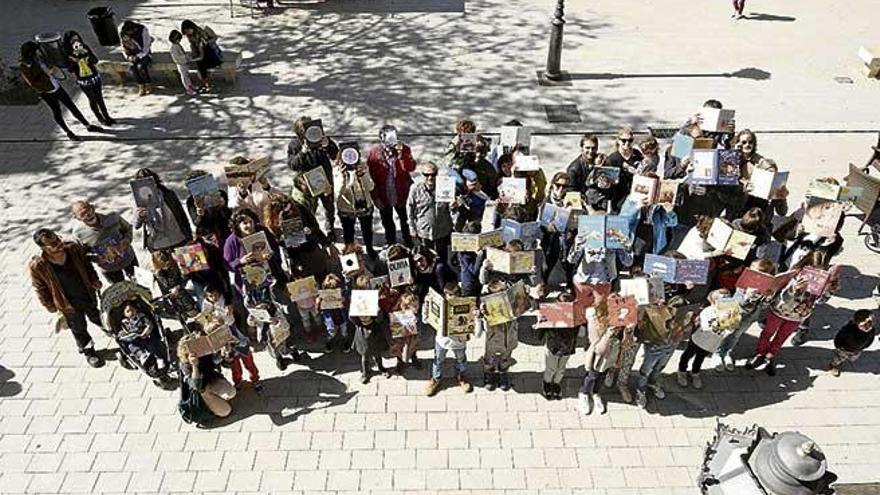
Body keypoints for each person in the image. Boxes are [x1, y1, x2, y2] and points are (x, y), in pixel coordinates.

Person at [29, 229, 105, 367]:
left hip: (86, 294)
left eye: (58, 239)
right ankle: (88, 351)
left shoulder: (73, 249)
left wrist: (94, 280)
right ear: (43, 248)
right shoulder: (38, 265)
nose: (58, 244)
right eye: (53, 244)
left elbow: (87, 266)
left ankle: (112, 332)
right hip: (67, 304)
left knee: (97, 316)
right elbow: (40, 288)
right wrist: (50, 306)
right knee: (79, 328)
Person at [18, 41, 100, 141]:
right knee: (57, 111)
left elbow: (49, 64)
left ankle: (87, 125)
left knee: (71, 106)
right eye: (35, 51)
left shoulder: (39, 58)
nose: (37, 53)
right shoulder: (25, 66)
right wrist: (46, 74)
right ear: (30, 53)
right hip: (47, 92)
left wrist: (53, 68)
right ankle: (68, 132)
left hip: (56, 86)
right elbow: (32, 83)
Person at [367, 125, 416, 247]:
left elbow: (410, 167)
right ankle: (391, 242)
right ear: (381, 138)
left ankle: (408, 240)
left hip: (401, 193)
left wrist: (401, 155)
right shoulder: (374, 153)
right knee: (387, 221)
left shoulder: (404, 150)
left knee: (405, 219)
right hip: (384, 194)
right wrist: (375, 197)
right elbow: (371, 178)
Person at [70, 200, 138, 283]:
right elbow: (82, 254)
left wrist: (126, 240)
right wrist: (95, 258)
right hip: (109, 270)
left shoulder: (112, 216)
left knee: (141, 285)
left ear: (92, 207)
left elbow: (127, 228)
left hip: (129, 259)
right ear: (76, 217)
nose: (88, 215)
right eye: (82, 214)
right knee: (121, 293)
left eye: (88, 210)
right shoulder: (78, 234)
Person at [426, 283, 473, 396]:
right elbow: (425, 320)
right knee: (438, 360)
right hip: (442, 340)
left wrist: (476, 316)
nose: (449, 298)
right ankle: (436, 379)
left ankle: (461, 376)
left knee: (461, 359)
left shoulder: (467, 306)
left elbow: (473, 327)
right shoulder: (441, 305)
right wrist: (427, 306)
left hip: (459, 342)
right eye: (447, 295)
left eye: (452, 295)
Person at [131, 168, 193, 252]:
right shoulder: (138, 200)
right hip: (158, 245)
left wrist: (189, 236)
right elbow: (136, 225)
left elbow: (182, 216)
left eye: (148, 180)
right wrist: (140, 216)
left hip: (178, 239)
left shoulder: (168, 194)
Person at [61, 31, 115, 125]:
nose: (75, 41)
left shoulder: (84, 47)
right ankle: (99, 117)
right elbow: (70, 69)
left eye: (77, 39)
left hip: (94, 76)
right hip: (83, 80)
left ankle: (106, 116)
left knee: (100, 98)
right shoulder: (67, 53)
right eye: (73, 40)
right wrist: (75, 61)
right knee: (92, 99)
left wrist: (87, 56)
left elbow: (95, 60)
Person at [177, 334, 236, 418]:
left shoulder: (205, 353)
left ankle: (217, 399)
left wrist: (226, 355)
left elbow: (226, 364)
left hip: (211, 380)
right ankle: (210, 408)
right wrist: (194, 366)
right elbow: (197, 386)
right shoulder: (185, 365)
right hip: (202, 391)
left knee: (231, 392)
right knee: (226, 411)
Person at [407, 161, 453, 267]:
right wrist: (411, 227)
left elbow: (451, 210)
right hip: (424, 231)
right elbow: (409, 208)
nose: (430, 178)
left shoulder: (445, 186)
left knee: (442, 257)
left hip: (442, 230)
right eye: (426, 175)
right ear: (422, 175)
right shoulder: (415, 189)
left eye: (433, 174)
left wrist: (453, 205)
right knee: (426, 257)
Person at [538, 292, 579, 400]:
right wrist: (540, 323)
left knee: (561, 369)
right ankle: (547, 383)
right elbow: (540, 333)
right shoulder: (551, 314)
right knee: (551, 368)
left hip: (567, 347)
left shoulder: (575, 316)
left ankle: (556, 383)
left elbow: (580, 331)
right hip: (553, 346)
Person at [336, 148, 377, 257]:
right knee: (348, 233)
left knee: (367, 230)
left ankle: (369, 248)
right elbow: (338, 192)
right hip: (347, 209)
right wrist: (342, 176)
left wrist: (363, 175)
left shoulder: (363, 167)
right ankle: (350, 253)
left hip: (364, 206)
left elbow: (371, 187)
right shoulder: (337, 170)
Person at [118, 301, 166, 369]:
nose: (131, 312)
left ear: (136, 309)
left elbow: (149, 325)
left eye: (132, 310)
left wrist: (145, 332)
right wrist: (125, 336)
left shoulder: (141, 316)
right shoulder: (124, 323)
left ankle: (159, 358)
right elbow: (123, 332)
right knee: (131, 346)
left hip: (146, 336)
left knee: (153, 343)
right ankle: (142, 355)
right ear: (124, 314)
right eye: (128, 311)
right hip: (135, 340)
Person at [827, 310, 876, 377]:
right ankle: (833, 365)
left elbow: (871, 338)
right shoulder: (848, 330)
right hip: (844, 349)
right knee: (839, 358)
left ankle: (849, 358)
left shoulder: (871, 330)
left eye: (870, 323)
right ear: (856, 323)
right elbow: (839, 337)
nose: (867, 327)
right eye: (863, 325)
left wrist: (865, 346)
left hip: (858, 349)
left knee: (853, 358)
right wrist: (839, 346)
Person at [181, 20, 221, 92]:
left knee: (203, 63)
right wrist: (193, 54)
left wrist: (206, 41)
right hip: (200, 52)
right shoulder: (190, 36)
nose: (187, 33)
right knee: (200, 63)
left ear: (191, 27)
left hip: (211, 50)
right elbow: (193, 46)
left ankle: (206, 83)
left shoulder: (204, 29)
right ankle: (206, 83)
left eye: (187, 30)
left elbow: (215, 37)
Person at [119, 20, 153, 96]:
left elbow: (146, 47)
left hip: (144, 54)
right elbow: (123, 48)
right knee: (132, 68)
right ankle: (141, 85)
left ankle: (148, 84)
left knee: (140, 67)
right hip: (132, 55)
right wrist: (128, 57)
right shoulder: (123, 34)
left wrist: (138, 56)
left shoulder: (143, 30)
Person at [168, 30, 197, 96]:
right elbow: (177, 58)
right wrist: (185, 57)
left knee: (187, 76)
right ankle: (188, 88)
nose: (179, 41)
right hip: (181, 64)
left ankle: (190, 85)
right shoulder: (173, 48)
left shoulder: (177, 45)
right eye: (178, 39)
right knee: (184, 77)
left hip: (184, 63)